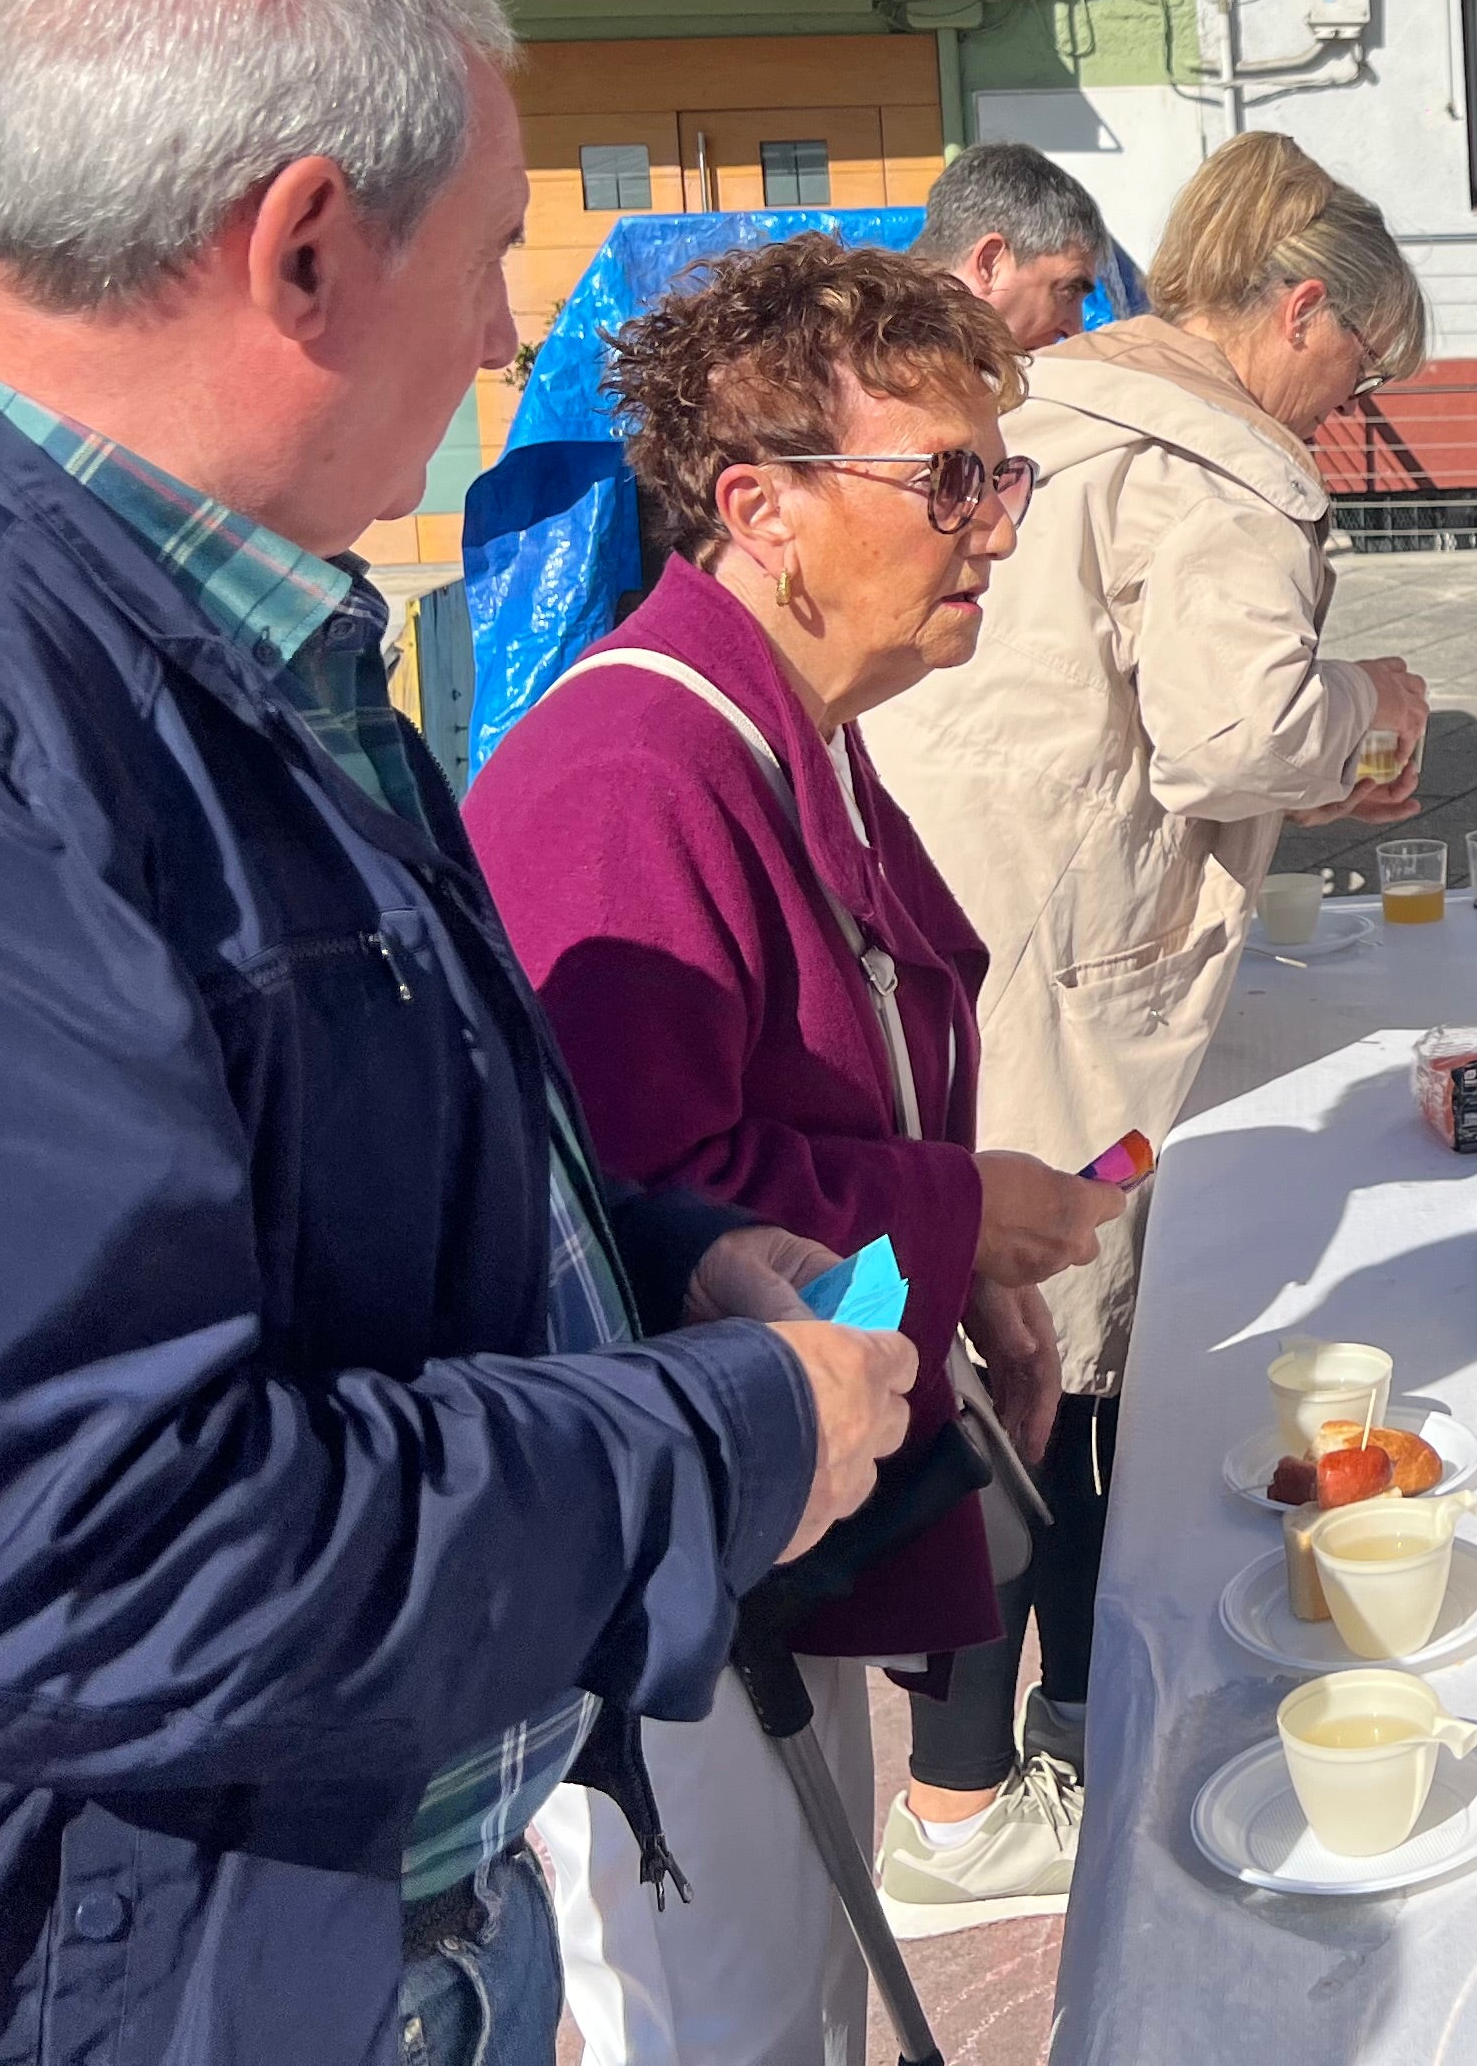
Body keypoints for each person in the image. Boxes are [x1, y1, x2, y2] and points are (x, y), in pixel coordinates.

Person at [0, 0, 911, 2066]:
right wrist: (719, 1442)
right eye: (492, 252)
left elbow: (286, 1185)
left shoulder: (194, 625)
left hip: (323, 1930)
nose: (504, 336)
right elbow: (61, 1547)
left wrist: (653, 1265)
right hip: (116, 1993)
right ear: (307, 245)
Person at [466, 238, 1127, 2059]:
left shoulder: (788, 730)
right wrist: (961, 1215)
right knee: (738, 2024)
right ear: (759, 506)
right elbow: (631, 1218)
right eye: (951, 480)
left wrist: (955, 1270)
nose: (998, 528)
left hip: (767, 1516)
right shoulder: (629, 774)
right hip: (670, 1568)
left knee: (803, 2004)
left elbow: (838, 1086)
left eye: (1004, 473)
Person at [855, 131, 1431, 1923]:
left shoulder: (1059, 393)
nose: (1348, 413)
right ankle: (965, 1808)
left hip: (947, 929)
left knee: (1005, 1342)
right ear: (1299, 308)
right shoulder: (1216, 460)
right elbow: (1235, 730)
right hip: (1062, 966)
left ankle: (1058, 1735)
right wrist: (1370, 706)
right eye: (1358, 373)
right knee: (1043, 1359)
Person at [920, 138, 1112, 351]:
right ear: (989, 265)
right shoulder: (903, 363)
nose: (1076, 330)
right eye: (1069, 291)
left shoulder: (907, 347)